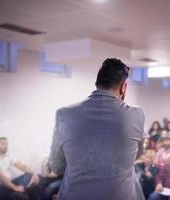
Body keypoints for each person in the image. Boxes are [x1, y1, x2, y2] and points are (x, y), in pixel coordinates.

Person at [49, 58, 145, 200]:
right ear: (123, 87)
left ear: (96, 84)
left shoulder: (64, 114)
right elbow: (137, 154)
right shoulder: (136, 114)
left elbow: (57, 166)